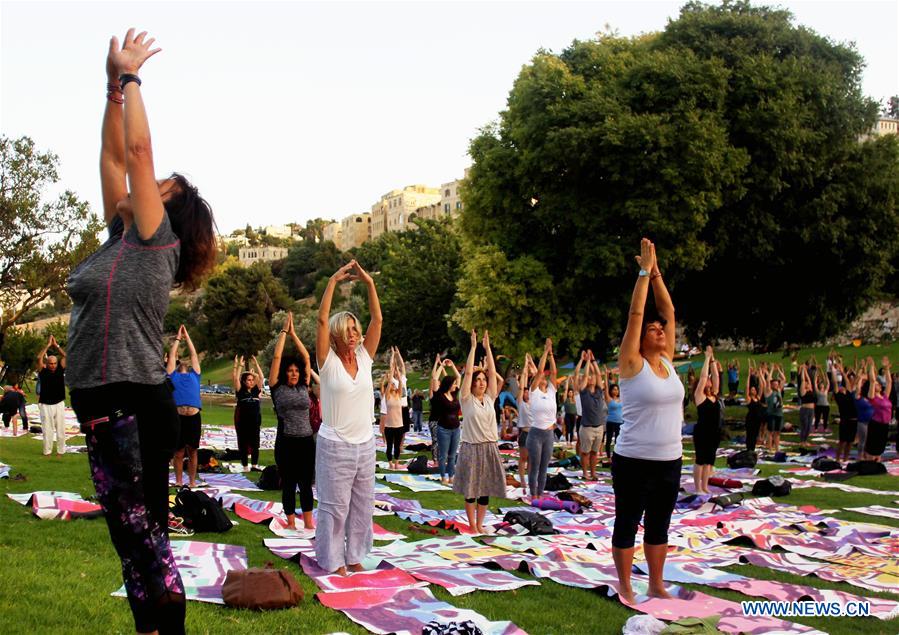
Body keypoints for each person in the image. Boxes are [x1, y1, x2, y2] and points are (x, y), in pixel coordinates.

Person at [66, 28, 217, 634]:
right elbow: (111, 159)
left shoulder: (157, 244)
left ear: (168, 212)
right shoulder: (119, 239)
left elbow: (136, 154)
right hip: (100, 398)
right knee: (133, 539)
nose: (143, 189)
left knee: (145, 535)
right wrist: (109, 90)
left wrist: (131, 78)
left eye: (159, 192)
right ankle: (151, 630)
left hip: (130, 398)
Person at [612, 238, 682, 604]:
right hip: (633, 460)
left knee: (659, 526)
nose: (659, 330)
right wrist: (641, 275)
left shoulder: (667, 361)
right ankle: (625, 584)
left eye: (661, 330)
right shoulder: (631, 363)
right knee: (627, 522)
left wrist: (656, 274)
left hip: (670, 459)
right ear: (641, 339)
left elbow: (667, 309)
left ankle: (656, 583)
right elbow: (636, 315)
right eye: (653, 330)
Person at [314, 260, 381, 576]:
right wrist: (332, 282)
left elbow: (377, 319)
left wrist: (369, 284)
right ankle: (332, 560)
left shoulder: (366, 358)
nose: (354, 334)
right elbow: (321, 319)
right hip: (335, 445)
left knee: (361, 507)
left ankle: (354, 556)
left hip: (365, 444)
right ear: (338, 335)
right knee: (334, 507)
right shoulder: (327, 362)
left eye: (356, 329)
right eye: (348, 330)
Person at [454, 329, 506, 533]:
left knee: (485, 490)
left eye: (484, 380)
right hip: (472, 448)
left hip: (489, 447)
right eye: (478, 380)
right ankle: (472, 525)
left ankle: (480, 523)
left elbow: (493, 374)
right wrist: (474, 347)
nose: (482, 382)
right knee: (471, 490)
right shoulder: (466, 400)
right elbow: (467, 373)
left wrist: (488, 349)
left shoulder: (490, 398)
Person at [269, 312, 315, 530]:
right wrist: (284, 333)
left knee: (306, 484)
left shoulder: (304, 387)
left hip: (306, 441)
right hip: (286, 442)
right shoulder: (277, 389)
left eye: (296, 371)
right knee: (289, 483)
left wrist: (295, 335)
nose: (294, 373)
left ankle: (308, 521)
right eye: (290, 371)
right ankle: (290, 522)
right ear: (284, 373)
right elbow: (277, 358)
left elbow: (306, 358)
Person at [166, 325, 202, 488]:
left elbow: (194, 354)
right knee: (178, 452)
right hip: (178, 418)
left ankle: (193, 481)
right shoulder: (172, 375)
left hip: (194, 417)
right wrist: (178, 338)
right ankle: (179, 481)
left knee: (193, 450)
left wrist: (188, 338)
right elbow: (172, 355)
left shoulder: (195, 374)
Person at [526, 337, 558, 499]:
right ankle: (533, 494)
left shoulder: (551, 391)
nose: (544, 378)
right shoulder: (534, 392)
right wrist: (545, 351)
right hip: (536, 434)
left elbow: (554, 372)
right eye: (541, 378)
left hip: (549, 434)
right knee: (535, 466)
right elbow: (540, 372)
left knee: (544, 467)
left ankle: (540, 493)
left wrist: (551, 355)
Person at [692, 346, 720, 494]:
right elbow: (704, 377)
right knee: (701, 459)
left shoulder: (714, 395)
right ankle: (698, 487)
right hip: (703, 431)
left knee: (709, 460)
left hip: (714, 431)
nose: (709, 380)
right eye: (707, 380)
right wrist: (707, 358)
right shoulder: (699, 396)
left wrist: (713, 359)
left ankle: (705, 486)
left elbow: (716, 376)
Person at [577, 350, 607, 481]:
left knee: (595, 453)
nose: (591, 378)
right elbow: (584, 375)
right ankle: (585, 473)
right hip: (587, 427)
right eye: (589, 377)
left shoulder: (599, 391)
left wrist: (594, 361)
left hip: (599, 427)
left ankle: (593, 473)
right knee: (585, 453)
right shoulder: (584, 392)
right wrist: (587, 361)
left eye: (592, 377)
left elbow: (598, 374)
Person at [36, 335, 68, 456]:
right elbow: (39, 357)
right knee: (47, 430)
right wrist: (48, 345)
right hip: (45, 405)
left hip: (59, 403)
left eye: (55, 363)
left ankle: (61, 451)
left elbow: (65, 356)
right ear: (47, 363)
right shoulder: (43, 371)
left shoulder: (60, 369)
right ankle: (47, 451)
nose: (53, 365)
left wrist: (56, 346)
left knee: (61, 429)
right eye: (51, 363)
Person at [232, 354, 265, 472]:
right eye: (249, 380)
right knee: (243, 443)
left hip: (255, 421)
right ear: (244, 381)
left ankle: (254, 465)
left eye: (252, 380)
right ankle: (245, 466)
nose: (251, 382)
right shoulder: (240, 391)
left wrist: (256, 365)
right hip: (243, 421)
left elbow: (261, 377)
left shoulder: (256, 390)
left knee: (255, 443)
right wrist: (239, 366)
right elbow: (236, 379)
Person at [432, 362, 462, 485]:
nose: (455, 385)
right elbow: (434, 378)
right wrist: (442, 366)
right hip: (443, 429)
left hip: (456, 428)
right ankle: (443, 477)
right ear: (448, 385)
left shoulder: (454, 394)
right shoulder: (440, 395)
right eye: (453, 383)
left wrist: (453, 366)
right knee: (443, 455)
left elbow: (459, 377)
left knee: (453, 455)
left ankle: (451, 476)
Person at [866, 357, 892, 462]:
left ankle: (877, 465)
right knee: (873, 446)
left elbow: (889, 382)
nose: (877, 385)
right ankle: (870, 464)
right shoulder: (873, 397)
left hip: (885, 425)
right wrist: (871, 366)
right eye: (876, 384)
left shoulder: (885, 396)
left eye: (878, 384)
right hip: (876, 424)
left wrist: (886, 369)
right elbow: (872, 381)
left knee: (881, 446)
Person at [380, 362, 405, 471]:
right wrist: (391, 370)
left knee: (397, 446)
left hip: (399, 425)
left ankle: (396, 463)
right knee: (389, 445)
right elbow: (390, 382)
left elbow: (400, 381)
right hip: (389, 425)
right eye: (392, 385)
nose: (394, 385)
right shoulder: (387, 396)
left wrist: (397, 371)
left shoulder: (399, 395)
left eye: (395, 385)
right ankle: (390, 463)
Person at [516, 353, 536, 489]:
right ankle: (522, 480)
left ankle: (530, 480)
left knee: (532, 459)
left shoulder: (535, 402)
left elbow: (536, 376)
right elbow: (523, 381)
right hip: (524, 433)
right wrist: (524, 365)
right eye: (525, 392)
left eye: (528, 392)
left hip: (534, 434)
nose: (526, 393)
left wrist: (531, 362)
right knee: (523, 458)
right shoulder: (521, 403)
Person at [854, 359, 876, 458]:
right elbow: (858, 386)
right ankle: (860, 456)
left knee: (868, 440)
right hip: (863, 422)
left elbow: (872, 380)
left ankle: (866, 455)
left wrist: (869, 366)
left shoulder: (870, 398)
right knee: (862, 440)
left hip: (871, 421)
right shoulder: (858, 398)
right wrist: (861, 372)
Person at [762, 364, 786, 453]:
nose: (776, 385)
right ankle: (769, 447)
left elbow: (783, 379)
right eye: (774, 384)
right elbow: (768, 380)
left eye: (777, 384)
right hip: (771, 414)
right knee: (770, 431)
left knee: (777, 432)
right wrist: (771, 369)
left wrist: (779, 369)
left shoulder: (779, 390)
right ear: (772, 385)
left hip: (779, 414)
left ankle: (777, 448)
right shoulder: (769, 391)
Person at [744, 369, 766, 453]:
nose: (753, 390)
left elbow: (762, 386)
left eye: (754, 389)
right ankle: (749, 449)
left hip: (757, 419)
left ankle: (752, 449)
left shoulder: (758, 398)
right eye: (751, 390)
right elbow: (746, 388)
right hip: (750, 419)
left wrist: (760, 375)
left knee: (755, 434)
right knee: (750, 434)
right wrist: (749, 376)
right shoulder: (749, 399)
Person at [604, 367, 622, 457]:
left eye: (617, 389)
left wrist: (620, 375)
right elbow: (606, 387)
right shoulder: (609, 399)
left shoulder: (621, 398)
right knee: (609, 439)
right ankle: (608, 456)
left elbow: (621, 384)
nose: (616, 391)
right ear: (611, 391)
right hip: (611, 422)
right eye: (614, 389)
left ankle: (616, 454)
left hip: (620, 422)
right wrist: (606, 375)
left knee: (618, 440)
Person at [797, 364, 816, 447]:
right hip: (805, 410)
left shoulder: (810, 390)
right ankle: (802, 441)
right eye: (806, 383)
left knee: (809, 427)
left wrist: (805, 370)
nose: (808, 384)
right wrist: (803, 371)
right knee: (804, 426)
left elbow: (808, 379)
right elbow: (803, 379)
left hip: (811, 410)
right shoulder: (803, 391)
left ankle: (805, 440)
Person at [813, 370, 831, 434]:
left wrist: (826, 376)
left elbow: (828, 384)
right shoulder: (817, 391)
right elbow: (815, 383)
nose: (822, 385)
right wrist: (816, 376)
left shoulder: (826, 391)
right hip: (819, 406)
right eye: (821, 384)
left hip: (826, 406)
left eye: (822, 384)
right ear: (819, 386)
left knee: (825, 418)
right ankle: (816, 428)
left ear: (823, 386)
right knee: (817, 418)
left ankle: (825, 428)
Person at [561, 382, 578, 448]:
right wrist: (568, 381)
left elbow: (575, 408)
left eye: (571, 392)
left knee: (572, 429)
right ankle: (567, 441)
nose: (571, 393)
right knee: (568, 428)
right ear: (568, 393)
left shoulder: (574, 400)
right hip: (567, 415)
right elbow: (565, 390)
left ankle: (570, 442)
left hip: (573, 416)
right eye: (569, 392)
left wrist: (576, 414)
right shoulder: (566, 399)